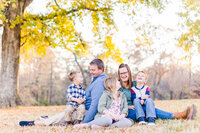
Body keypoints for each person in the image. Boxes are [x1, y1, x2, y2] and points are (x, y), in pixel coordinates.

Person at [118, 63, 197, 121]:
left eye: (125, 72)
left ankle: (178, 115)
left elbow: (144, 92)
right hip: (127, 112)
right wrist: (128, 107)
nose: (123, 75)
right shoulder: (118, 87)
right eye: (121, 73)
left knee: (150, 107)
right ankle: (177, 115)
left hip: (140, 106)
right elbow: (114, 103)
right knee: (148, 110)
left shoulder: (135, 83)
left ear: (129, 73)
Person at [19, 71, 86, 126]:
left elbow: (84, 96)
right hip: (72, 104)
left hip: (79, 106)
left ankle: (77, 121)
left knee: (81, 108)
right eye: (81, 77)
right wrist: (76, 99)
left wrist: (82, 100)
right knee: (67, 111)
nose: (82, 78)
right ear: (75, 79)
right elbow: (69, 96)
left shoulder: (82, 89)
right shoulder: (71, 87)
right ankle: (66, 121)